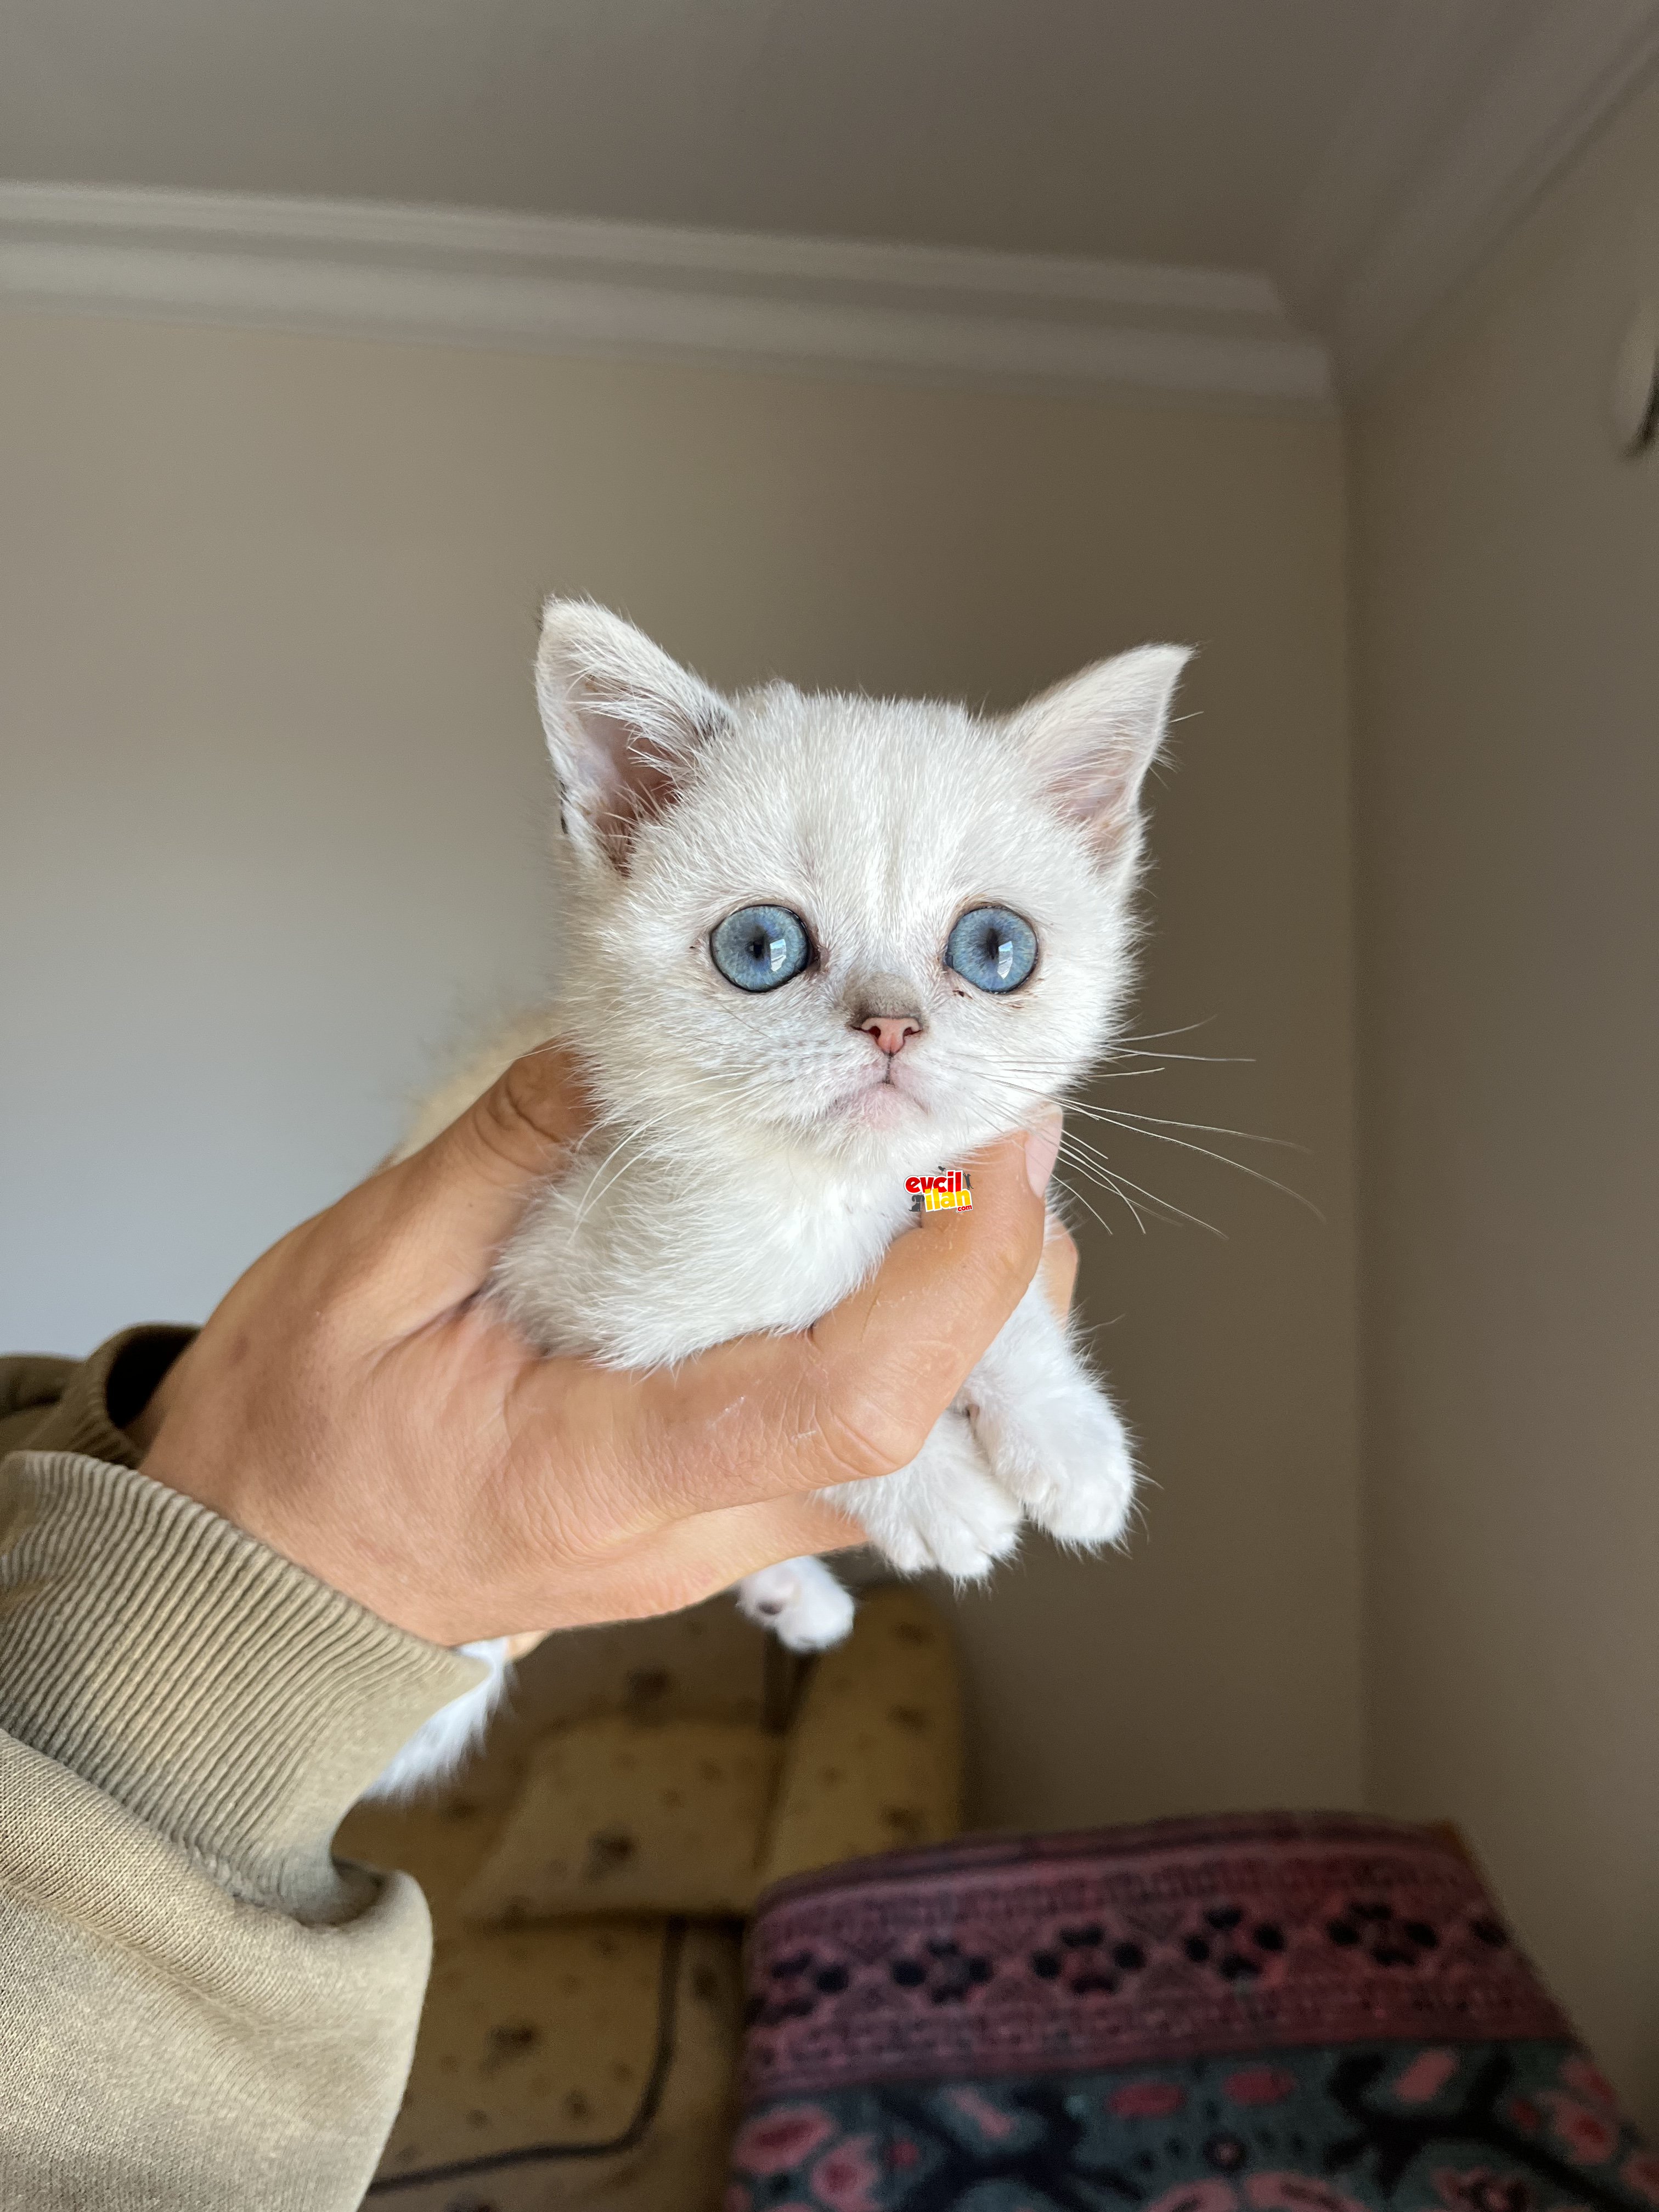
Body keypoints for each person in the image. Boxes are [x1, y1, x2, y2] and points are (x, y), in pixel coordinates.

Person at [0, 1043, 1068, 2209]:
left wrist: (987, 1250)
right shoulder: (684, 1148)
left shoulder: (908, 1162)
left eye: (987, 953)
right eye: (768, 948)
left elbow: (929, 1198)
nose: (894, 1028)